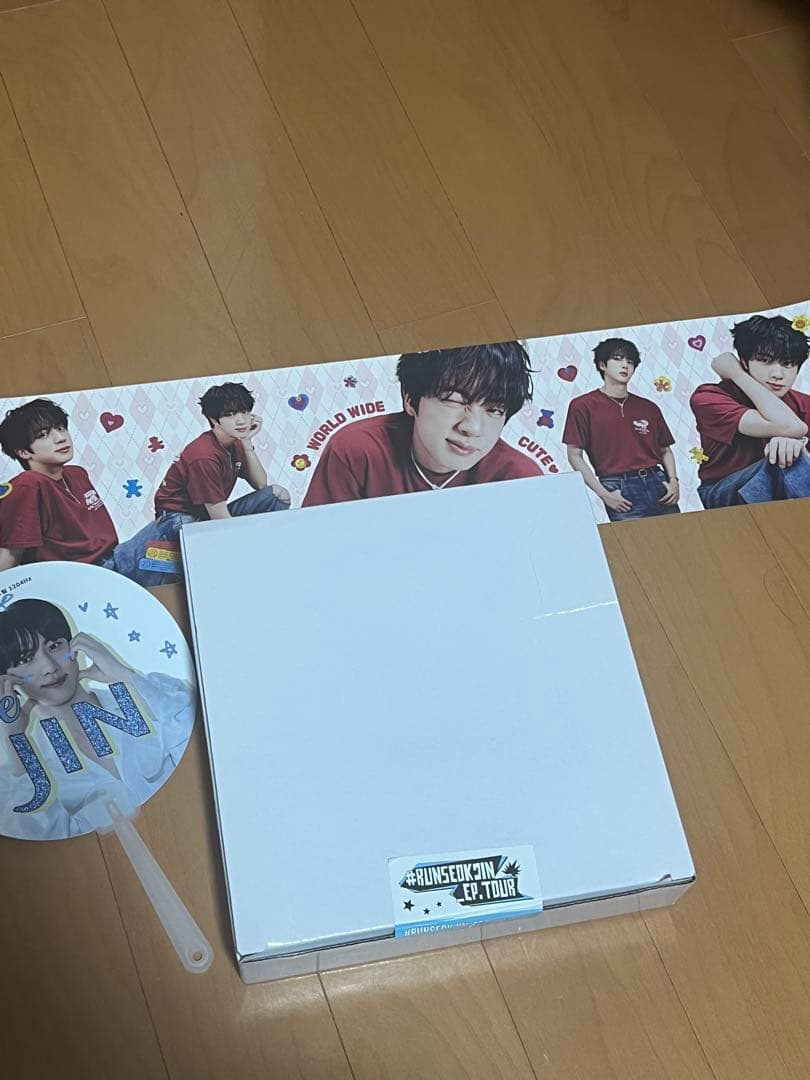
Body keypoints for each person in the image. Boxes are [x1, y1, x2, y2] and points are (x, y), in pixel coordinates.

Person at [0, 598, 194, 839]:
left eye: (54, 646)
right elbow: (41, 838)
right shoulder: (20, 771)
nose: (49, 667)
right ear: (6, 679)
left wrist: (124, 675)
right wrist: (15, 739)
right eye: (25, 659)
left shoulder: (151, 700)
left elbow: (203, 736)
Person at [302, 343, 541, 506]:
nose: (472, 428)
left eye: (494, 410)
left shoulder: (519, 479)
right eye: (453, 400)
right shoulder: (356, 452)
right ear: (409, 399)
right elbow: (318, 546)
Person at [0, 398, 182, 586]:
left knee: (180, 543)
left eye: (61, 428)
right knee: (176, 521)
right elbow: (10, 555)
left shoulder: (77, 474)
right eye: (44, 435)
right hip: (82, 579)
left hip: (114, 564)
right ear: (23, 452)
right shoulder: (28, 484)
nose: (60, 438)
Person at [690, 315, 810, 508]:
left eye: (788, 363)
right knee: (786, 462)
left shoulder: (804, 403)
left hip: (784, 488)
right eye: (765, 361)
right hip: (723, 490)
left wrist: (796, 446)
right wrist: (736, 373)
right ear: (744, 362)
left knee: (792, 458)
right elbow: (791, 426)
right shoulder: (709, 397)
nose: (777, 374)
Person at [562, 338, 680, 521]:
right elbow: (574, 454)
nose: (625, 365)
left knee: (677, 536)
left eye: (630, 362)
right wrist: (603, 493)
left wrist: (673, 481)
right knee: (634, 538)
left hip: (658, 481)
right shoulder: (582, 406)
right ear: (602, 365)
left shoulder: (649, 407)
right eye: (617, 359)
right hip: (618, 486)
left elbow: (665, 450)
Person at [153, 381, 290, 526]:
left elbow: (261, 484)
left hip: (207, 515)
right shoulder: (204, 455)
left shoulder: (236, 443)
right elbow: (220, 518)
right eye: (230, 415)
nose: (241, 421)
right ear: (214, 420)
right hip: (176, 516)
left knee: (278, 495)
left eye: (245, 412)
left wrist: (247, 442)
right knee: (193, 529)